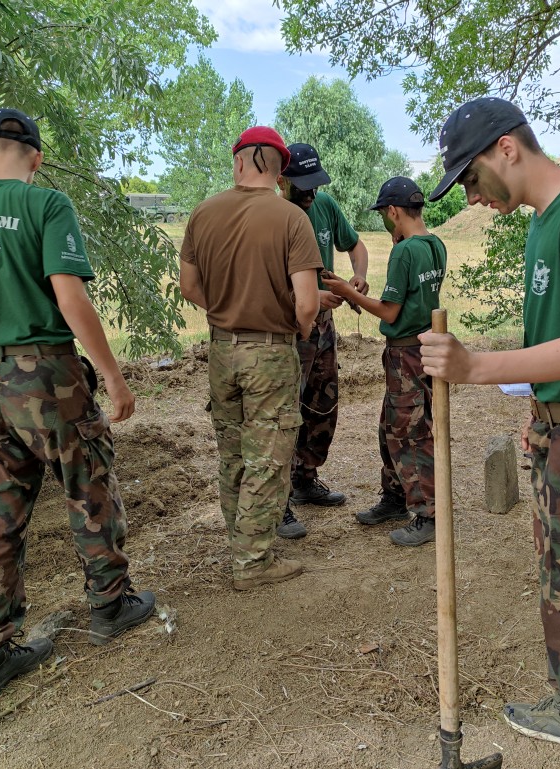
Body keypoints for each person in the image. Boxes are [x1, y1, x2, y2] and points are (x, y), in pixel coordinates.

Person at [421, 97, 560, 769]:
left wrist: (475, 367)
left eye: (469, 177)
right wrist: (536, 413)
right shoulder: (542, 225)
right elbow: (556, 341)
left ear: (506, 150)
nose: (470, 194)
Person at [0, 108, 156, 704]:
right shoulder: (46, 207)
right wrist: (114, 378)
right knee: (87, 482)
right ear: (37, 158)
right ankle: (109, 604)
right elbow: (69, 297)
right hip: (46, 374)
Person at [180, 126, 322, 590]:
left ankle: (240, 545)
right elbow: (306, 304)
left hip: (221, 350)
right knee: (269, 456)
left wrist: (226, 312)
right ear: (280, 172)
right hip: (270, 353)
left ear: (240, 162)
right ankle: (253, 562)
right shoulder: (291, 219)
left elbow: (189, 287)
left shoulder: (202, 214)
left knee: (233, 454)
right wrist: (296, 330)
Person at [322, 177, 446, 547]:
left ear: (393, 212)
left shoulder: (405, 252)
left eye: (384, 215)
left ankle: (428, 514)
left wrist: (346, 290)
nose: (384, 222)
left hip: (405, 353)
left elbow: (390, 312)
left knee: (410, 435)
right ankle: (394, 497)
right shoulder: (434, 245)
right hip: (421, 351)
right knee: (390, 428)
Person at [275, 143, 370, 539]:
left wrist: (357, 278)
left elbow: (356, 245)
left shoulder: (325, 205)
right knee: (280, 415)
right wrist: (309, 301)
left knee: (322, 404)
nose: (311, 194)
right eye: (303, 187)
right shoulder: (274, 217)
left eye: (315, 186)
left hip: (325, 328)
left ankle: (304, 480)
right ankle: (275, 503)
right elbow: (267, 286)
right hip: (288, 330)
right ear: (281, 180)